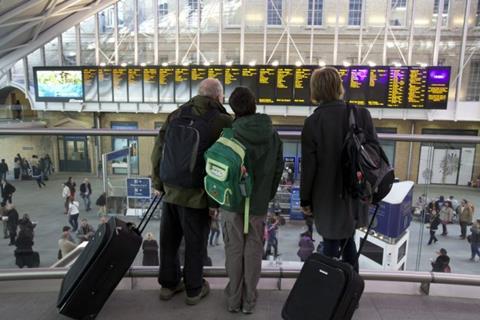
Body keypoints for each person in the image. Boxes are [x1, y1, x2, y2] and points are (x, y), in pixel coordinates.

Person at [151, 78, 232, 305]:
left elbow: (158, 151)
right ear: (218, 97)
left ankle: (168, 285)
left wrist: (158, 183)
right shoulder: (223, 121)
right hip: (197, 195)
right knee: (195, 244)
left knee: (169, 241)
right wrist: (216, 200)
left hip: (171, 190)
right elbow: (224, 162)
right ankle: (193, 290)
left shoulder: (176, 115)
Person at [300, 67, 377, 272]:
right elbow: (374, 152)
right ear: (339, 87)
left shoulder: (313, 122)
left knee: (331, 243)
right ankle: (350, 293)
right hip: (356, 190)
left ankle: (333, 294)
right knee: (348, 240)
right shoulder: (361, 114)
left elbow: (309, 167)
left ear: (315, 90)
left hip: (327, 195)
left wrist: (305, 200)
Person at [219, 87, 283, 314]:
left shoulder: (229, 133)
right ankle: (249, 300)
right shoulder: (272, 134)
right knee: (254, 248)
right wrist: (266, 194)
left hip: (232, 201)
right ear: (254, 104)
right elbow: (278, 169)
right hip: (257, 204)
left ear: (233, 108)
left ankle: (233, 299)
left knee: (234, 248)